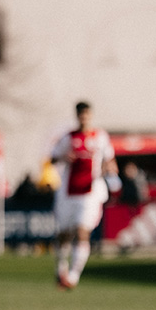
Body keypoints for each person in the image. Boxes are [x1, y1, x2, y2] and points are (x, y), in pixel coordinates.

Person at [50, 102, 117, 290]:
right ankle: (61, 267)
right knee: (64, 234)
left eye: (87, 114)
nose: (84, 118)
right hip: (68, 192)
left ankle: (73, 276)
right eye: (81, 114)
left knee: (82, 231)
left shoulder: (100, 137)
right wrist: (64, 157)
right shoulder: (68, 138)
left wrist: (109, 167)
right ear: (77, 116)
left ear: (91, 115)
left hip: (90, 193)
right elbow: (53, 157)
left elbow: (110, 159)